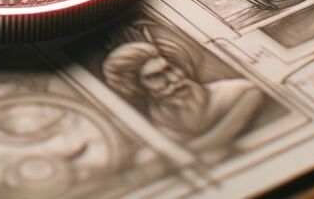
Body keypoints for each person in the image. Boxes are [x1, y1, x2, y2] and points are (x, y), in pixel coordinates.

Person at [102, 36, 264, 163]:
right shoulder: (160, 127)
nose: (174, 78)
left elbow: (198, 149)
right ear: (138, 87)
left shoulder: (240, 92)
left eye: (169, 68)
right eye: (155, 77)